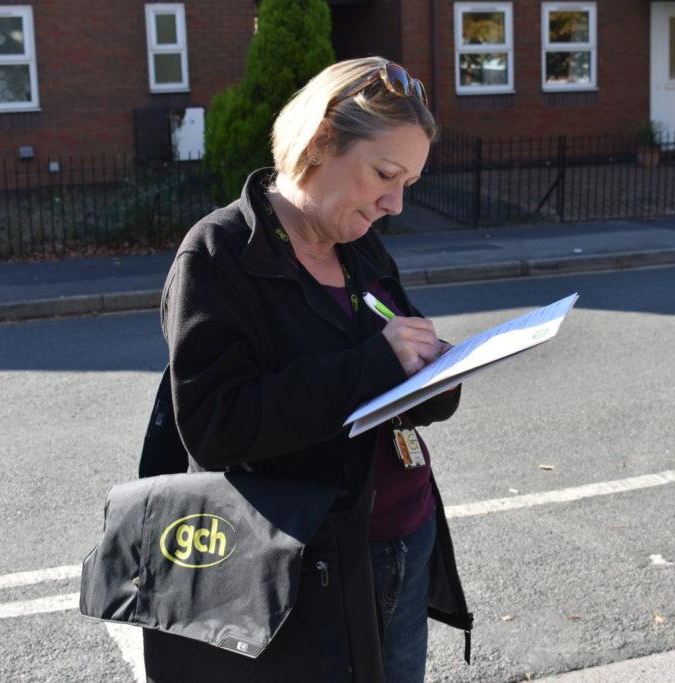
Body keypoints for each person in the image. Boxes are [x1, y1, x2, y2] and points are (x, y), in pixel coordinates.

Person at [144, 56, 472, 682]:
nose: (395, 203)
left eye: (409, 182)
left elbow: (393, 361)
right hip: (307, 570)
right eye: (384, 174)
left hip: (406, 534)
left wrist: (437, 374)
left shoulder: (359, 246)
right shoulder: (219, 254)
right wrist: (379, 361)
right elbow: (218, 427)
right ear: (321, 141)